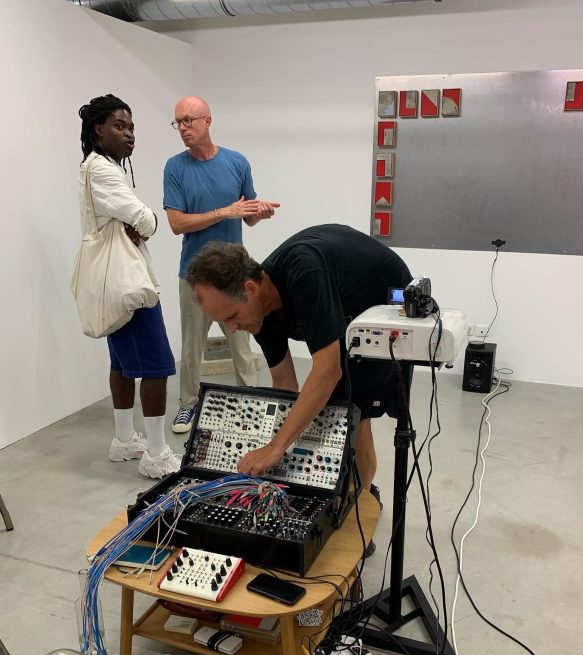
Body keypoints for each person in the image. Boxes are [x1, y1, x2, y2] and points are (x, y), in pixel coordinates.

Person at [185, 223, 413, 510]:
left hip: (382, 302)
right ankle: (341, 491)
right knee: (321, 409)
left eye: (232, 316)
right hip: (342, 303)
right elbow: (284, 384)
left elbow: (328, 371)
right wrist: (273, 446)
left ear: (250, 289)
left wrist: (276, 447)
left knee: (353, 408)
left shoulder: (305, 274)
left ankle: (360, 502)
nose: (231, 328)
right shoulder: (259, 311)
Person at [77, 94, 181, 479]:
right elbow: (145, 219)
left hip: (111, 282)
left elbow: (130, 219)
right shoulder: (104, 170)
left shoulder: (95, 166)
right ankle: (156, 453)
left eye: (132, 127)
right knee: (157, 366)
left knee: (121, 364)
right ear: (98, 129)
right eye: (119, 126)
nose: (129, 134)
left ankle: (124, 440)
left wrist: (136, 222)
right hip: (129, 285)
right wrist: (147, 220)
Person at [163, 96, 279, 435]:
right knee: (191, 346)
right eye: (178, 123)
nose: (183, 128)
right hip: (194, 275)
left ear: (208, 121)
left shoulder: (237, 162)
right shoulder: (175, 167)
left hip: (234, 274)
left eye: (188, 120)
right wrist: (223, 212)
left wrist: (259, 213)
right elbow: (177, 223)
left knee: (242, 342)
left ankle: (249, 400)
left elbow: (248, 216)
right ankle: (188, 404)